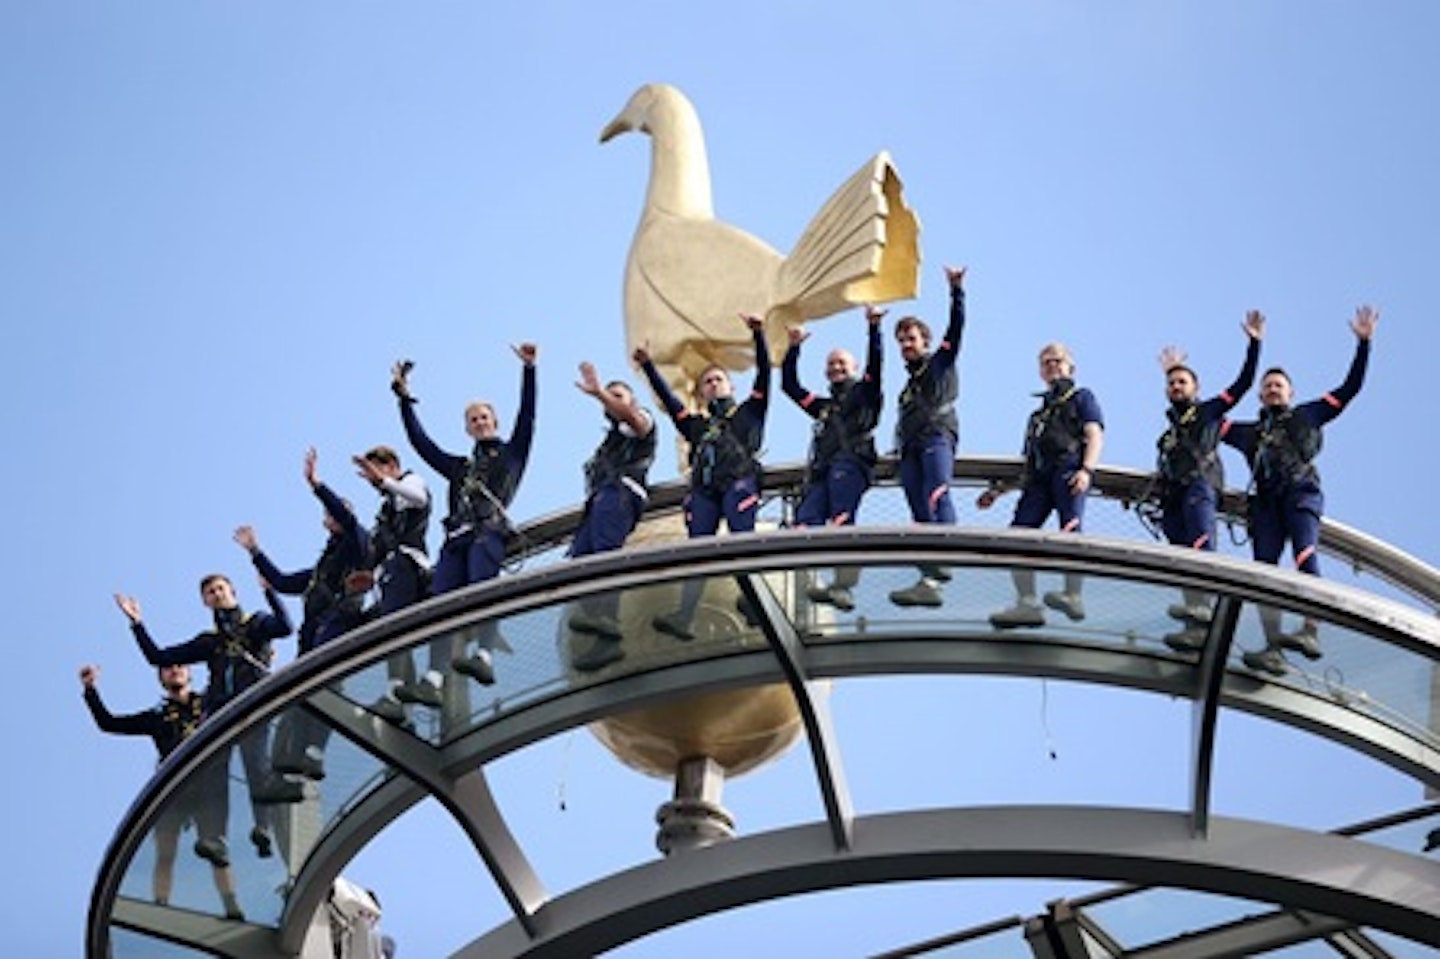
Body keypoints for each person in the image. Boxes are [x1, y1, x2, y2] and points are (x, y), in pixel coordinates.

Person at [1220, 305, 1378, 675]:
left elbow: (1350, 387)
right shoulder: (1249, 433)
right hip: (1265, 507)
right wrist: (1253, 349)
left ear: (1290, 392)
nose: (1273, 390)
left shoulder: (1308, 414)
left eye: (1279, 385)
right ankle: (1272, 646)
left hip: (1300, 493)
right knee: (1264, 575)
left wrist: (1363, 344)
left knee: (1305, 555)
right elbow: (1210, 421)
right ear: (1260, 396)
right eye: (1268, 386)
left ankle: (1310, 630)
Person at [115, 574, 294, 859]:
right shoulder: (209, 642)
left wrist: (271, 594)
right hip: (221, 712)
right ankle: (215, 837)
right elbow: (158, 657)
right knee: (213, 772)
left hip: (252, 703)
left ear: (232, 591)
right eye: (210, 592)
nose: (216, 594)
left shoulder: (255, 624)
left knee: (256, 766)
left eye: (220, 588)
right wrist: (137, 623)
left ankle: (263, 828)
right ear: (205, 601)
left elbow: (285, 627)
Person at [393, 345, 537, 686]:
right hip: (457, 538)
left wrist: (530, 370)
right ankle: (434, 675)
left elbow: (527, 417)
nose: (480, 423)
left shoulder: (512, 454)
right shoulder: (460, 467)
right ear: (468, 430)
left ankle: (484, 656)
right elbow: (421, 444)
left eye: (484, 417)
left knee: (480, 590)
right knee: (441, 604)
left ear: (494, 422)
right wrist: (404, 400)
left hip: (488, 532)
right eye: (473, 420)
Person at [235, 447, 370, 793]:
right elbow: (281, 581)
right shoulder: (320, 569)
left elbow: (347, 517)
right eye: (330, 514)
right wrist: (255, 553)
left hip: (339, 621)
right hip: (313, 631)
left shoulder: (356, 541)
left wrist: (316, 485)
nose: (334, 516)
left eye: (336, 512)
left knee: (321, 680)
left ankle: (312, 751)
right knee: (302, 696)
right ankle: (297, 758)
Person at [635, 313, 770, 641]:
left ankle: (755, 604)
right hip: (706, 491)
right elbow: (671, 403)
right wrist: (648, 366)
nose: (713, 385)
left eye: (718, 380)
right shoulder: (697, 426)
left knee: (742, 539)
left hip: (739, 481)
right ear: (702, 393)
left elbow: (765, 377)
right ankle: (684, 615)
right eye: (707, 383)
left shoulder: (749, 412)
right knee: (698, 550)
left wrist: (758, 336)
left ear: (730, 386)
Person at [80, 662, 244, 920]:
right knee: (165, 851)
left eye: (180, 666)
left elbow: (242, 696)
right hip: (175, 790)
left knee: (217, 851)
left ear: (190, 674)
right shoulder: (157, 716)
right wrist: (90, 690)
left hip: (208, 788)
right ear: (162, 680)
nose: (174, 670)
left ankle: (232, 907)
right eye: (167, 669)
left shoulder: (211, 703)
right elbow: (109, 723)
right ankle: (160, 907)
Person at [1154, 311, 1264, 653]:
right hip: (1173, 496)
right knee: (1182, 559)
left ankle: (1210, 610)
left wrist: (1254, 344)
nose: (1176, 387)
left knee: (1202, 547)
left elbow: (1243, 384)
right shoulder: (1169, 432)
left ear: (1196, 388)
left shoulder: (1208, 412)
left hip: (1200, 487)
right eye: (1171, 383)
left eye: (1182, 382)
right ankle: (1194, 624)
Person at [980, 341, 1105, 628]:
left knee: (1070, 529)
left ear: (1070, 367)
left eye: (1057, 361)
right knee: (1018, 536)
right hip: (1039, 479)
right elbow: (1027, 463)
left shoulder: (1081, 397)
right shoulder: (1038, 416)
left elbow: (1094, 433)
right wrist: (999, 491)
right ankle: (1027, 603)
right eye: (1046, 362)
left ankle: (1073, 594)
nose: (1052, 366)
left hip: (1068, 469)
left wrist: (1087, 469)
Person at [782, 304, 885, 611]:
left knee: (842, 520)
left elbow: (875, 369)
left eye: (841, 363)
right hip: (821, 472)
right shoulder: (824, 406)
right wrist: (793, 348)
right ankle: (810, 582)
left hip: (851, 464)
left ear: (852, 368)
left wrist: (874, 330)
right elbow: (790, 386)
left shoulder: (864, 393)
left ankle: (844, 586)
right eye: (831, 364)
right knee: (803, 525)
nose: (835, 368)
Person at [565, 360, 657, 673]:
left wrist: (600, 392)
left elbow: (634, 419)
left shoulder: (640, 422)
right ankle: (603, 635)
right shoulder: (609, 442)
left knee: (605, 555)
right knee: (579, 561)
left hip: (619, 494)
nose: (611, 399)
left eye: (619, 395)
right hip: (599, 501)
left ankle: (609, 619)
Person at [888, 265, 968, 607]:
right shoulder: (908, 387)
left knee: (937, 494)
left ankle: (946, 556)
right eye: (902, 340)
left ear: (925, 341)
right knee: (919, 511)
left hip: (936, 436)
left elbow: (956, 329)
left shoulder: (939, 363)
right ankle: (929, 580)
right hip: (910, 447)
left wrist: (956, 291)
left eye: (911, 339)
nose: (906, 345)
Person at [349, 445, 434, 721]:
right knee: (395, 632)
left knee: (395, 626)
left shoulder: (410, 482)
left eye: (379, 468)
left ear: (393, 466)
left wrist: (386, 482)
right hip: (391, 570)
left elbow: (419, 499)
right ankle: (400, 693)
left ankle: (406, 687)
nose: (374, 478)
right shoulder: (386, 508)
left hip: (408, 564)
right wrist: (369, 572)